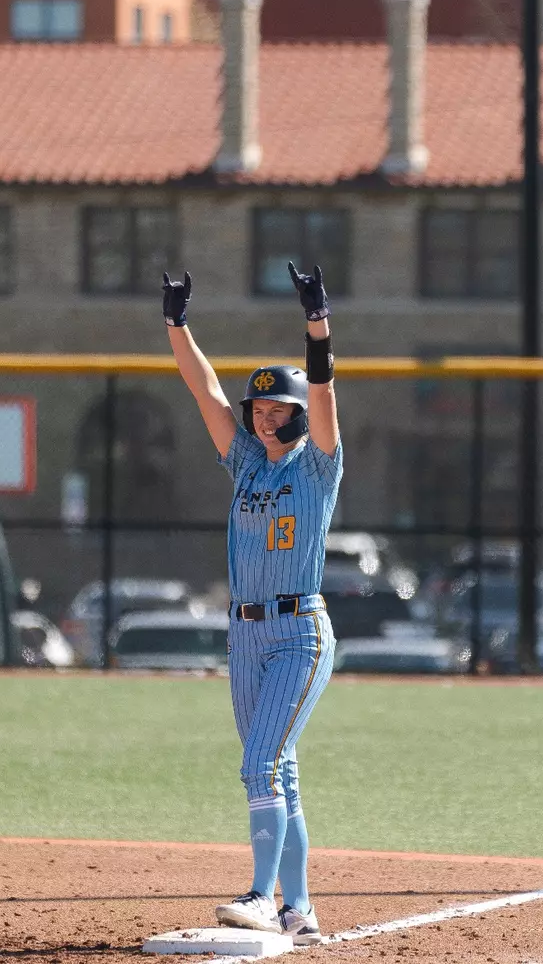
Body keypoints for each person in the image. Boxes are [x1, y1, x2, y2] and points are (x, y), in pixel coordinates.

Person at [163, 262, 342, 946]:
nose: (267, 420)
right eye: (259, 411)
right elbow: (202, 389)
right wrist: (177, 326)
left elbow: (324, 387)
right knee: (280, 771)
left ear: (298, 416)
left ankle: (262, 896)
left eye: (279, 411)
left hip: (300, 631)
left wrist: (316, 321)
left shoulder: (318, 464)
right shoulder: (245, 463)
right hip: (245, 638)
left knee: (259, 765)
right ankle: (300, 909)